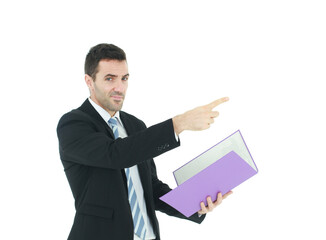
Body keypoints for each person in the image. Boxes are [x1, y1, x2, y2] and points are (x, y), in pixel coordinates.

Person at [57, 43, 232, 240]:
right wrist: (178, 124)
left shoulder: (135, 126)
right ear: (89, 81)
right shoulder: (74, 124)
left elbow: (151, 188)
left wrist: (194, 205)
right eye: (109, 79)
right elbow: (116, 155)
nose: (119, 87)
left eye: (124, 78)